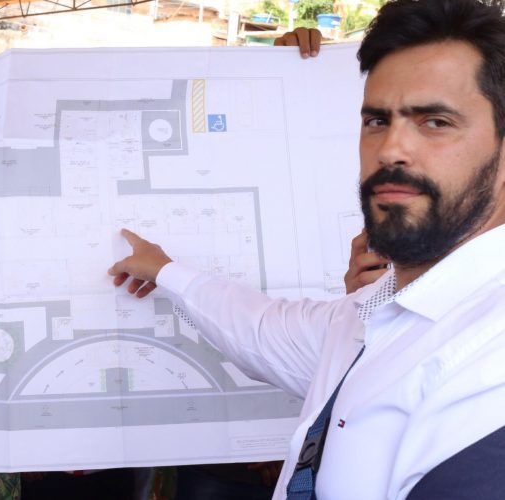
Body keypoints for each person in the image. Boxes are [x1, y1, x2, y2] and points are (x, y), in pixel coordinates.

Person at [109, 0, 505, 497]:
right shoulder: (373, 312)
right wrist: (165, 270)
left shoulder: (488, 365)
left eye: (436, 122)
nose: (390, 149)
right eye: (377, 121)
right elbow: (259, 327)